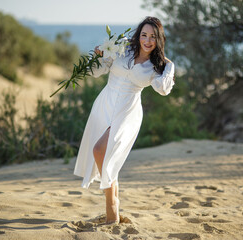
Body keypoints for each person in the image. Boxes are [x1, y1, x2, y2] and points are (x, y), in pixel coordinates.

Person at [74, 16, 175, 224]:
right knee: (106, 156)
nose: (147, 40)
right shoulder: (122, 50)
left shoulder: (156, 66)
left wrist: (169, 67)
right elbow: (97, 72)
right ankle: (113, 210)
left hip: (127, 111)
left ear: (159, 40)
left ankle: (112, 205)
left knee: (100, 150)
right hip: (105, 104)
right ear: (138, 35)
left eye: (153, 37)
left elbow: (162, 90)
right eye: (144, 35)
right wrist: (98, 56)